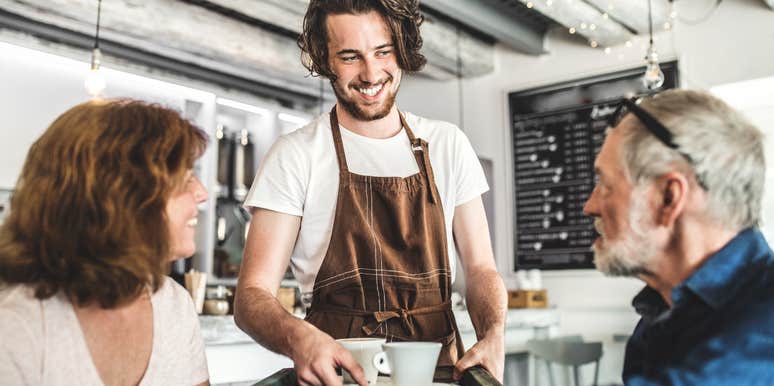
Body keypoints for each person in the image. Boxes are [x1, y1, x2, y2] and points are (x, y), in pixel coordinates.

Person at [234, 0, 507, 385]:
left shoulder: (448, 145)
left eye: (383, 51)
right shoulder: (295, 155)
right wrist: (298, 338)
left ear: (402, 47)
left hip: (438, 374)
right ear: (323, 57)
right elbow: (251, 296)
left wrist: (494, 334)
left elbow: (481, 270)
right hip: (339, 377)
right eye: (350, 57)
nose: (370, 72)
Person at [0, 99, 211, 386]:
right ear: (123, 194)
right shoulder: (15, 325)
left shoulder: (173, 305)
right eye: (185, 178)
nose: (202, 193)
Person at [583, 89, 774, 385]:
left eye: (606, 184)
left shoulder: (747, 344)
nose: (590, 207)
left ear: (669, 198)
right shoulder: (660, 313)